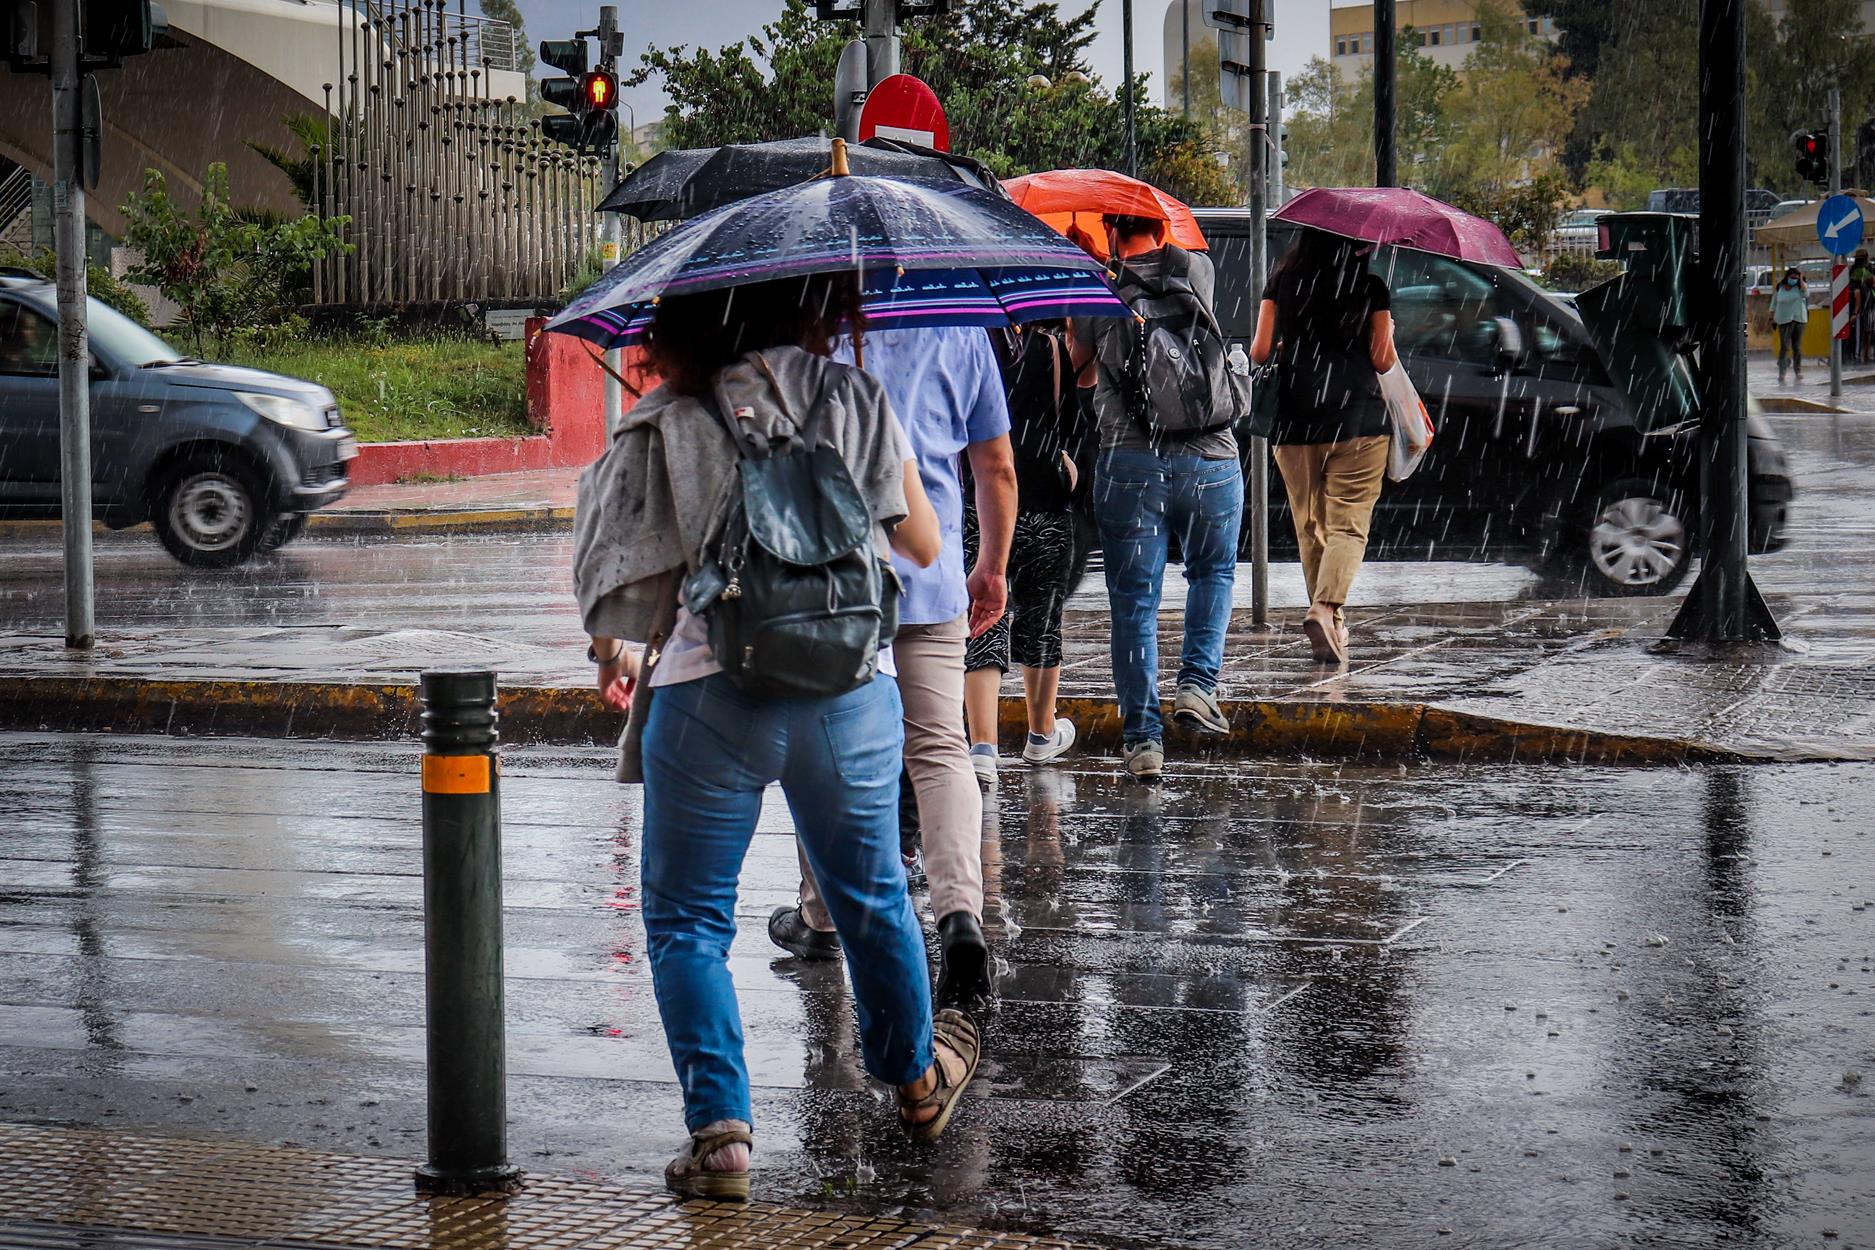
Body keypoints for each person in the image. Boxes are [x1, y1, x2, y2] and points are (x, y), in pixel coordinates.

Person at [573, 273, 980, 1202]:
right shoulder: (850, 391)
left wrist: (612, 654)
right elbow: (919, 547)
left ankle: (720, 1136)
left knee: (686, 922)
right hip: (847, 693)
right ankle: (915, 1079)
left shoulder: (663, 418)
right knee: (873, 894)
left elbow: (619, 583)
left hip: (706, 695)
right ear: (809, 303)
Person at [768, 323, 1018, 1017]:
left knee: (828, 750)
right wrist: (991, 566)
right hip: (930, 571)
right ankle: (960, 920)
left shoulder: (811, 331)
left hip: (834, 580)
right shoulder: (960, 333)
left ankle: (821, 919)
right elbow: (993, 464)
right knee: (939, 748)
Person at [1070, 214, 1244, 782]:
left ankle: (1143, 742)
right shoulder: (1200, 271)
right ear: (1161, 227)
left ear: (1112, 228)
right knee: (1213, 572)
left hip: (1129, 462)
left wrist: (1083, 270)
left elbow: (1079, 368)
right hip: (1211, 456)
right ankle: (1197, 684)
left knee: (1134, 603)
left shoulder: (1096, 286)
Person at [1250, 227, 1396, 666]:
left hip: (1295, 419)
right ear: (1352, 243)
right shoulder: (1370, 286)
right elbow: (1382, 360)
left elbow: (1259, 352)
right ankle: (1326, 608)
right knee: (1348, 523)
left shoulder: (1283, 281)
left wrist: (1288, 342)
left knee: (1310, 524)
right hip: (1358, 419)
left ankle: (1331, 617)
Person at [962, 322, 1089, 786]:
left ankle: (983, 746)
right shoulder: (1050, 348)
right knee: (1042, 616)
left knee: (982, 619)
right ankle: (1041, 733)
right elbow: (1073, 424)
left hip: (982, 502)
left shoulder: (969, 344)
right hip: (1043, 499)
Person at [1772, 266, 1808, 386]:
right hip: (1783, 320)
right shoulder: (1780, 287)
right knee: (1784, 347)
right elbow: (1774, 303)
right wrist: (1772, 318)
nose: (1794, 280)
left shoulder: (1799, 288)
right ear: (1787, 277)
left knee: (1797, 347)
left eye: (1796, 278)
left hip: (1798, 319)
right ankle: (1782, 373)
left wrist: (1802, 279)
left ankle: (1798, 371)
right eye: (1792, 277)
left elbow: (1806, 293)